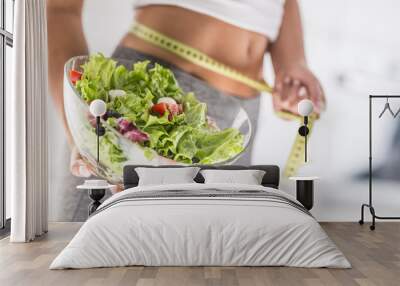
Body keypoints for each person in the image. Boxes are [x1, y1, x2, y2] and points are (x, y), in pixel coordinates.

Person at [47, 0, 325, 220]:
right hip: (144, 101)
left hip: (234, 122)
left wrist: (292, 62)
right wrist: (81, 134)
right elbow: (61, 9)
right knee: (91, 262)